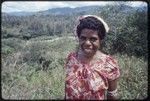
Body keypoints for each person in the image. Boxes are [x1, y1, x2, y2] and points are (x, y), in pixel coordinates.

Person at [65, 15, 120, 100]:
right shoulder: (71, 58)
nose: (87, 43)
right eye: (83, 38)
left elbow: (112, 95)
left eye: (93, 39)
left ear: (100, 40)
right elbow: (68, 89)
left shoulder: (109, 64)